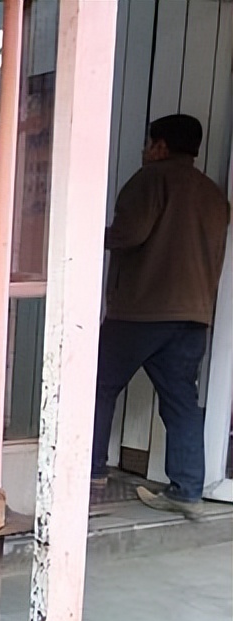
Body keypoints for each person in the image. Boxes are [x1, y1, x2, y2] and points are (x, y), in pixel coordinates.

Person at [91, 114, 230, 520]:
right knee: (182, 400)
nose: (145, 149)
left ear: (161, 146)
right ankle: (187, 490)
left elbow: (130, 234)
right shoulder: (213, 193)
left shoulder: (149, 180)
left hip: (143, 308)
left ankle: (90, 471)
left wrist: (88, 233)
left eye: (149, 141)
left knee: (98, 385)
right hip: (194, 313)